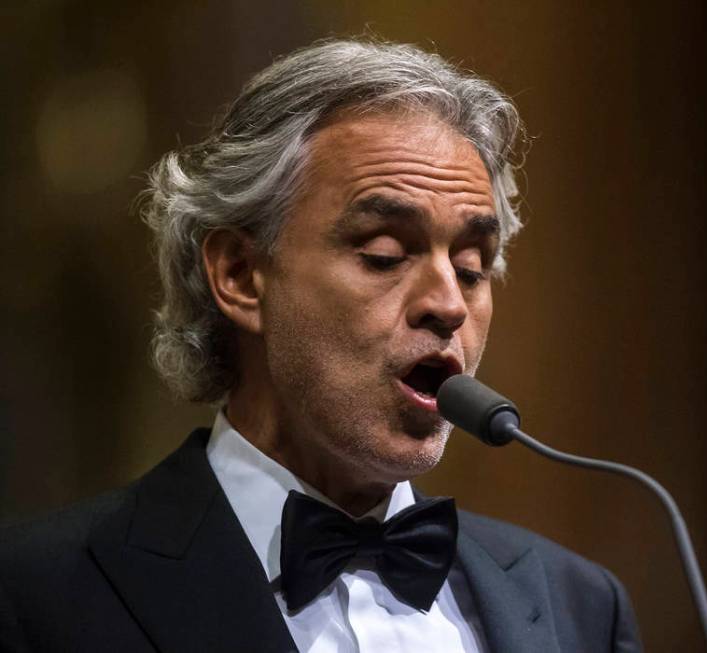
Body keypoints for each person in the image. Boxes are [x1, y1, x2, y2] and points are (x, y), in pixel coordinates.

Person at [0, 39, 641, 652]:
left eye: (473, 266)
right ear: (241, 276)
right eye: (385, 254)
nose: (449, 304)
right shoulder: (35, 595)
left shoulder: (580, 605)